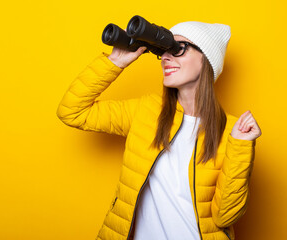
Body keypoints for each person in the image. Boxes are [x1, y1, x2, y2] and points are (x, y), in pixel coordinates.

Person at [56, 20, 261, 240]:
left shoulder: (232, 130)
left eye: (178, 49)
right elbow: (72, 111)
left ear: (206, 59)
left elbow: (225, 217)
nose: (165, 57)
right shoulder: (146, 111)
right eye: (163, 51)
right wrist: (115, 61)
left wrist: (241, 147)